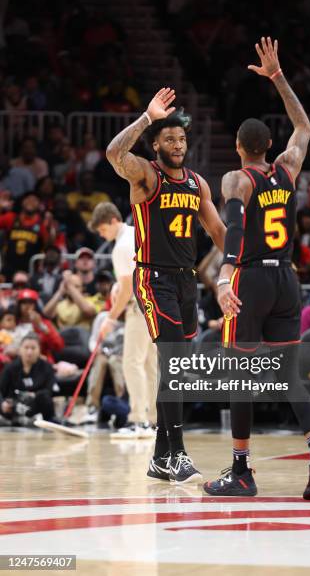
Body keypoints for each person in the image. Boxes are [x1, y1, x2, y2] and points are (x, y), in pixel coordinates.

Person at [204, 36, 310, 498]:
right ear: (270, 144)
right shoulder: (288, 168)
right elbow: (304, 126)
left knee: (240, 373)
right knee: (289, 374)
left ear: (239, 147)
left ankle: (241, 470)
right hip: (287, 279)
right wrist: (278, 78)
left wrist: (224, 276)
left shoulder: (237, 178)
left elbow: (235, 231)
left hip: (252, 276)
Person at [106, 87, 226, 483]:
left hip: (186, 280)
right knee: (173, 361)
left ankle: (160, 459)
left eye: (182, 139)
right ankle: (177, 454)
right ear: (156, 143)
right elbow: (113, 154)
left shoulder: (197, 184)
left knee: (176, 367)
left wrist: (249, 259)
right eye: (169, 138)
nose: (177, 144)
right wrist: (146, 117)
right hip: (152, 277)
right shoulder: (145, 174)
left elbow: (218, 231)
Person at [89, 202, 157, 437]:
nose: (102, 235)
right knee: (150, 364)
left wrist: (110, 318)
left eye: (102, 230)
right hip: (156, 304)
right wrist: (119, 285)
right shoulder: (135, 233)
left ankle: (139, 421)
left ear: (112, 221)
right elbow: (133, 274)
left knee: (132, 362)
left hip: (138, 306)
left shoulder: (120, 246)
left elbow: (128, 287)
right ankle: (154, 421)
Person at [0, 333, 57, 426]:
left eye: (33, 348)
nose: (29, 352)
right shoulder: (10, 368)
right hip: (14, 407)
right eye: (26, 348)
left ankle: (40, 421)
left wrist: (34, 395)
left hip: (36, 406)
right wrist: (2, 404)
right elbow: (1, 390)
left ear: (39, 350)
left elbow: (49, 391)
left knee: (45, 398)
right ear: (20, 350)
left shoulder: (46, 367)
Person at [0, 192, 57, 279]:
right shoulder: (11, 218)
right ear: (23, 202)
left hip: (31, 271)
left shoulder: (42, 224)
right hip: (8, 268)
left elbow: (49, 245)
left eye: (34, 200)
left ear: (39, 204)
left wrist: (50, 229)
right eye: (28, 199)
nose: (31, 202)